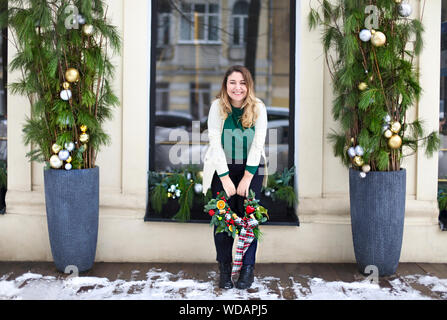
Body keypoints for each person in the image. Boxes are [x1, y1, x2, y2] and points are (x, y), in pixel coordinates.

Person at [202, 65, 268, 289]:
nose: (237, 87)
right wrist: (225, 178)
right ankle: (224, 269)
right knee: (223, 220)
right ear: (225, 85)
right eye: (232, 82)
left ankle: (247, 269)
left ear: (248, 86)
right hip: (223, 169)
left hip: (251, 169)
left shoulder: (258, 108)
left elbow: (258, 144)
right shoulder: (216, 107)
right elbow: (214, 143)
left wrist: (247, 178)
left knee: (249, 220)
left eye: (242, 83)